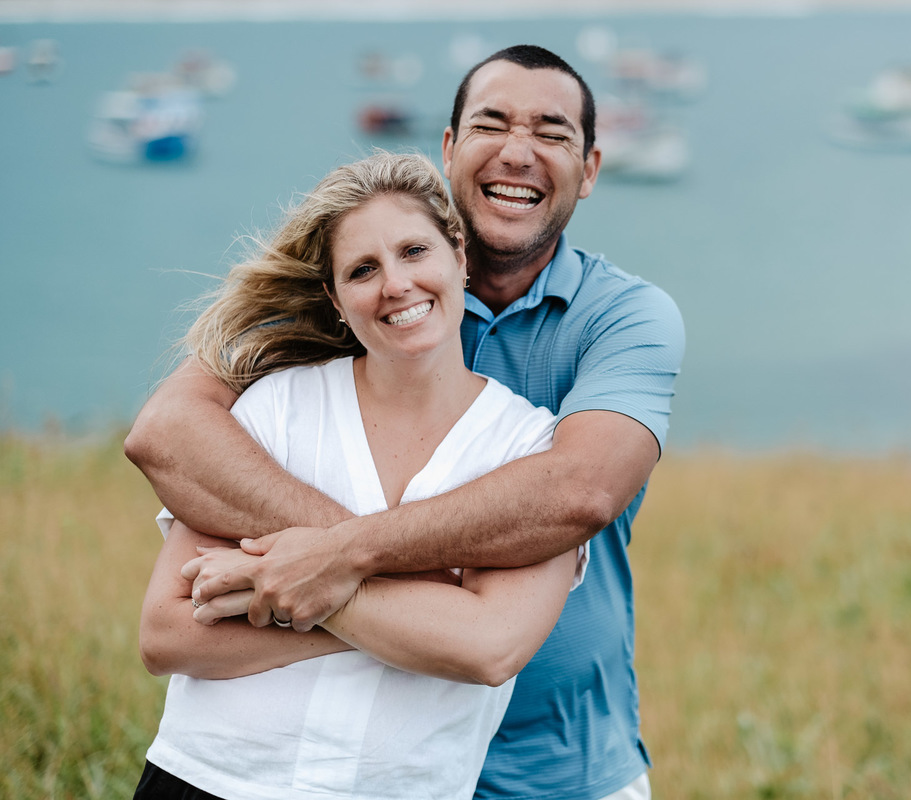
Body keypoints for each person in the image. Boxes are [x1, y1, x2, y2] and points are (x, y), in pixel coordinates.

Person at [126, 45, 685, 800]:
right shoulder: (338, 316)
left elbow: (579, 491)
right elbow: (165, 433)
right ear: (449, 147)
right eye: (491, 123)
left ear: (588, 168)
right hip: (378, 768)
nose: (517, 153)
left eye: (551, 133)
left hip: (559, 764)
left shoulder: (623, 318)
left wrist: (322, 562)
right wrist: (419, 593)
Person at [135, 151, 588, 799]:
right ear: (336, 299)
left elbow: (487, 648)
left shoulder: (529, 449)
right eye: (363, 270)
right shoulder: (275, 406)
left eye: (413, 251)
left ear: (459, 255)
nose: (396, 285)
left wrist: (283, 587)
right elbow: (168, 633)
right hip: (207, 780)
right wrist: (420, 607)